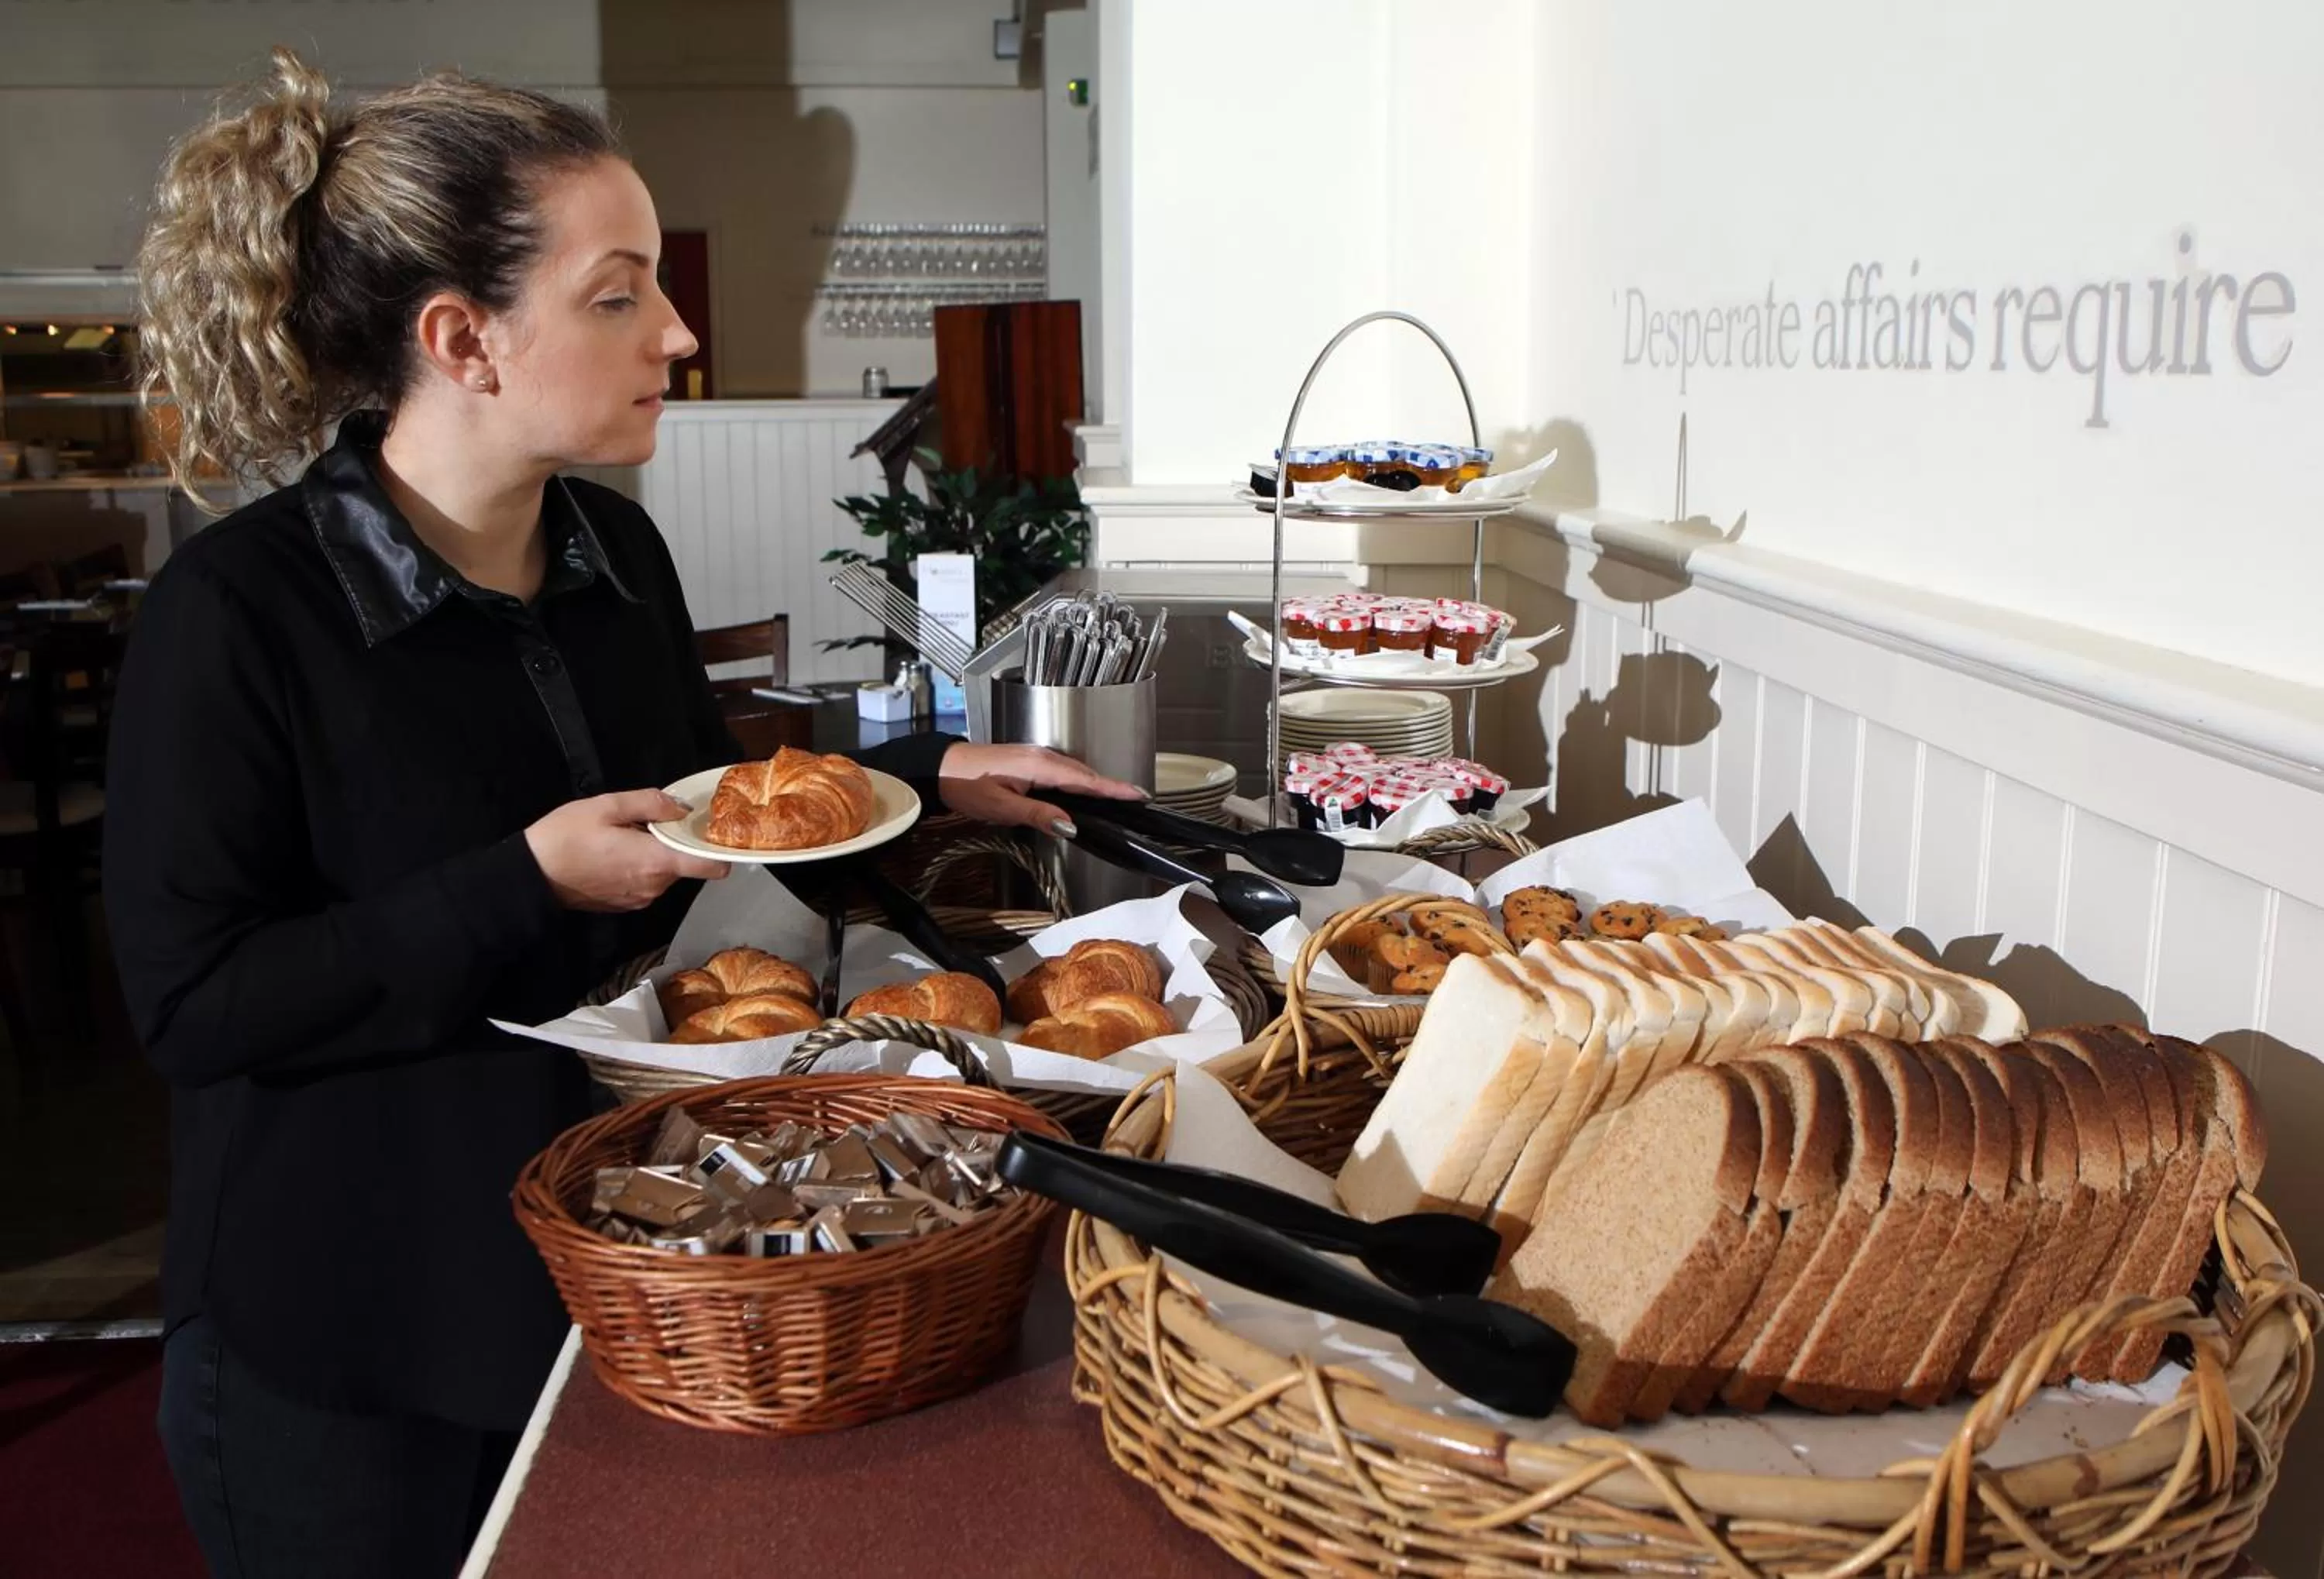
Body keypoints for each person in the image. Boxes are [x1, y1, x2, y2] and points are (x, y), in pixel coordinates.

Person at [106, 47, 1134, 1577]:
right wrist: (524, 878)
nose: (680, 329)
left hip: (617, 1272)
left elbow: (699, 830)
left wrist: (920, 789)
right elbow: (195, 1002)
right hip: (345, 1342)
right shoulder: (237, 611)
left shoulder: (611, 556)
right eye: (619, 294)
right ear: (464, 337)